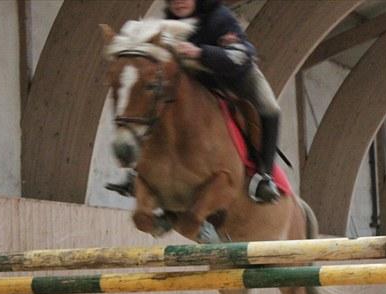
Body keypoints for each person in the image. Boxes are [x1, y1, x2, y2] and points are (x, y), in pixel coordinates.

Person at [106, 0, 281, 203]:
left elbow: (241, 54)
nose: (178, 2)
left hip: (237, 78)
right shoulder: (165, 27)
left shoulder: (220, 18)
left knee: (270, 109)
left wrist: (200, 52)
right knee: (156, 102)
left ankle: (266, 177)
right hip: (201, 83)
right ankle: (137, 173)